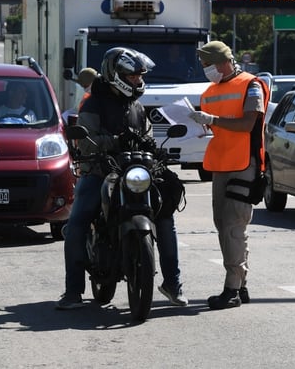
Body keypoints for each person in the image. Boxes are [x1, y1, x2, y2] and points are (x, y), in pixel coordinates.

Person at [57, 47, 188, 310]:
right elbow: (85, 143)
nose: (138, 81)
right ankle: (72, 291)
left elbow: (146, 135)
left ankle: (172, 283)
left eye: (140, 76)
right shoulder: (93, 102)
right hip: (100, 171)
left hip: (135, 172)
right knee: (78, 221)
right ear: (116, 75)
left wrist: (153, 146)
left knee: (165, 216)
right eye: (132, 77)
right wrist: (115, 141)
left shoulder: (136, 106)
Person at [188, 40, 269, 310]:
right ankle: (240, 284)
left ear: (223, 61)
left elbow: (248, 123)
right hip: (221, 163)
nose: (205, 70)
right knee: (223, 226)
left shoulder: (251, 85)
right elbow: (219, 127)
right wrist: (204, 125)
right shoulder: (209, 91)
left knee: (234, 226)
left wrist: (212, 120)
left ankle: (232, 289)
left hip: (244, 164)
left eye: (208, 64)